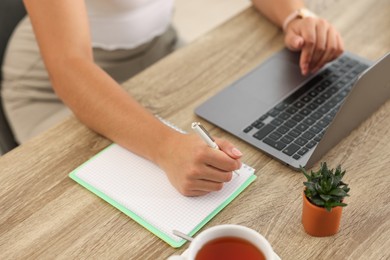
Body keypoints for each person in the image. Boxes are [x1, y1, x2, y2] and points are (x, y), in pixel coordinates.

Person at [1, 0, 343, 196]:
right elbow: (68, 67)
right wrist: (166, 147)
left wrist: (296, 16)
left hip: (158, 52)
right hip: (57, 83)